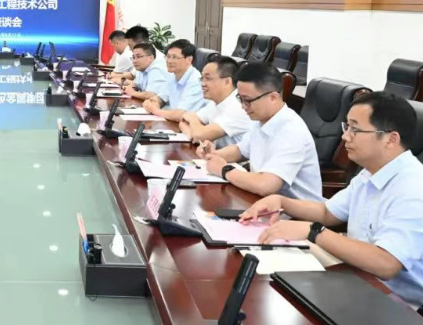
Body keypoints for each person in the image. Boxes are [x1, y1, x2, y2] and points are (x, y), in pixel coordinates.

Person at [241, 92, 423, 309]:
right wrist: (281, 202)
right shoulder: (370, 172)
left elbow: (386, 264)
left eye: (355, 129)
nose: (345, 137)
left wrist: (313, 231)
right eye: (347, 127)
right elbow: (328, 212)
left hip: (398, 305)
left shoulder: (413, 188)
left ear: (391, 139)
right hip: (358, 278)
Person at [199, 62, 323, 201]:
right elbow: (241, 150)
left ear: (273, 97)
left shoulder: (291, 131)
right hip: (263, 202)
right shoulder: (260, 120)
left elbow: (266, 185)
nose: (243, 107)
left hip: (293, 211)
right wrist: (214, 155)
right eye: (240, 99)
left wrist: (224, 170)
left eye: (248, 100)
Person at [180, 56, 255, 147]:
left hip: (233, 156)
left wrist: (193, 121)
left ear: (227, 82)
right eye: (202, 78)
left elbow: (198, 134)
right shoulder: (216, 101)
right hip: (216, 153)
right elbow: (183, 121)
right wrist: (192, 134)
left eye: (208, 78)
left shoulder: (238, 107)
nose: (202, 84)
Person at [143, 39, 206, 121]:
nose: (169, 61)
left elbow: (180, 115)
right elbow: (161, 98)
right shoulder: (173, 75)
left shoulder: (196, 81)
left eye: (174, 57)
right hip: (173, 123)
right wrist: (153, 103)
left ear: (189, 60)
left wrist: (156, 111)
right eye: (168, 57)